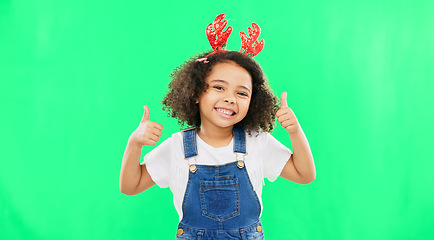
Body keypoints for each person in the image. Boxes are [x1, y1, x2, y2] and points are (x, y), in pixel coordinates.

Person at [119, 14, 315, 240]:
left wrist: (295, 132)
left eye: (241, 93)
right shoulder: (177, 146)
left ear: (252, 103)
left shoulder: (257, 142)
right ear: (195, 93)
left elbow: (305, 174)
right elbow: (130, 186)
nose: (230, 98)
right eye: (219, 87)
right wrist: (134, 143)